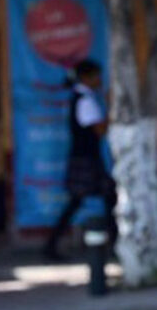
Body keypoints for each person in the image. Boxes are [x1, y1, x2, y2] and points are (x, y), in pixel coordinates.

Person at [44, 59, 116, 261]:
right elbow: (99, 130)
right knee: (89, 200)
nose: (99, 80)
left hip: (86, 158)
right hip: (86, 160)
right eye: (96, 76)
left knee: (108, 198)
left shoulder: (85, 97)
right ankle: (51, 246)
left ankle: (117, 243)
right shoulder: (85, 100)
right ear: (86, 77)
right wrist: (112, 108)